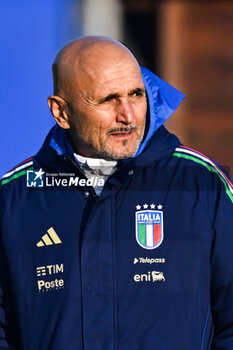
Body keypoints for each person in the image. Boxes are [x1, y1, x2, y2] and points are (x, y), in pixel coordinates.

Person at [0, 36, 232, 350]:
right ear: (61, 112)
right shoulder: (16, 198)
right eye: (108, 99)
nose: (128, 115)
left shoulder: (201, 184)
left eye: (136, 94)